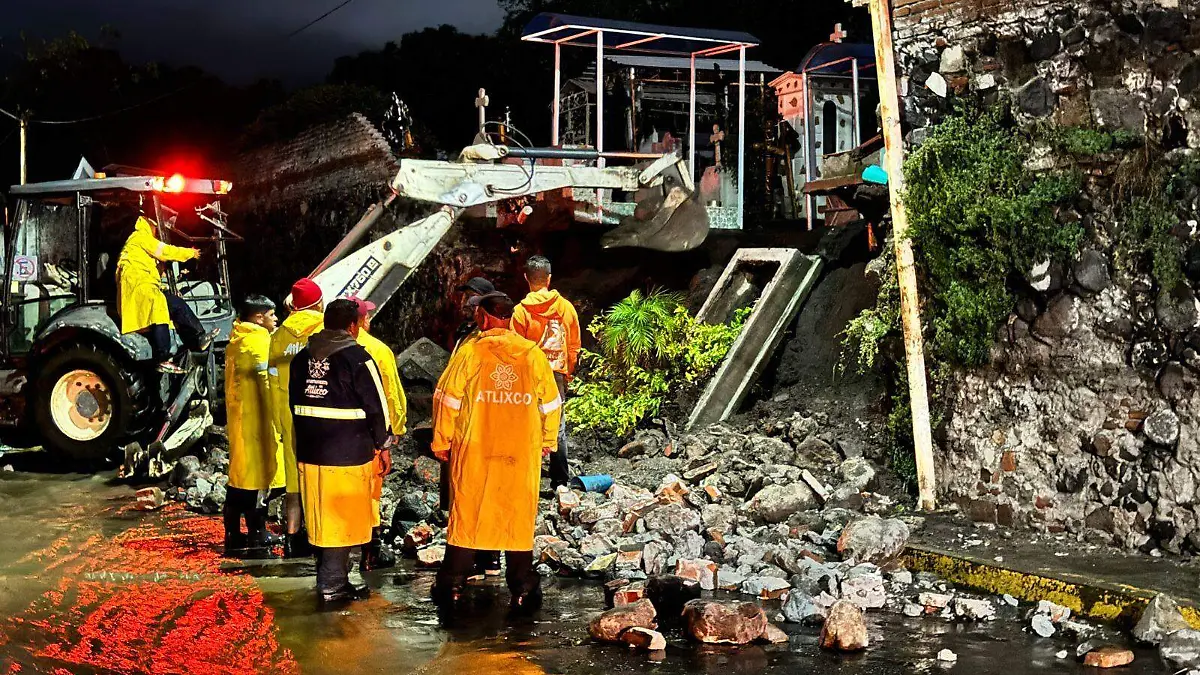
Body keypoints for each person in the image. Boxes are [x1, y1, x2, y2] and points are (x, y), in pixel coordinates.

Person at [430, 291, 561, 613]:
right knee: (516, 517)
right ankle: (522, 585)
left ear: (485, 318)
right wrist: (548, 441)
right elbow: (552, 403)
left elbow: (446, 399)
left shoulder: (470, 353)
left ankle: (453, 583)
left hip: (475, 449)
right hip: (519, 452)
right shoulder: (532, 354)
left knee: (468, 514)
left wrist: (441, 442)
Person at [289, 299, 393, 607]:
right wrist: (383, 445)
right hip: (349, 451)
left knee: (320, 516)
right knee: (340, 518)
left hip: (311, 450)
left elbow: (293, 403)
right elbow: (377, 408)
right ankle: (333, 583)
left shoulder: (301, 358)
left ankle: (331, 578)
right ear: (353, 326)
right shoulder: (357, 358)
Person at [445, 276, 503, 578]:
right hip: (473, 425)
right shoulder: (465, 336)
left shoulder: (489, 342)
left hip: (483, 426)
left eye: (471, 300)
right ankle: (481, 557)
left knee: (478, 492)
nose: (465, 305)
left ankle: (487, 556)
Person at [510, 255, 581, 489]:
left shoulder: (520, 313)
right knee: (557, 425)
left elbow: (514, 349)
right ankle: (560, 479)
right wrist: (567, 372)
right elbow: (573, 346)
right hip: (556, 374)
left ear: (525, 278)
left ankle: (528, 476)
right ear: (549, 278)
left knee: (527, 424)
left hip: (529, 375)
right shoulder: (565, 308)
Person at [223, 294, 284, 558]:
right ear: (259, 317)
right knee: (262, 479)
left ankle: (233, 534)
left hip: (241, 419)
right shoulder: (258, 343)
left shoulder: (238, 339)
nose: (276, 319)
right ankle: (257, 532)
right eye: (272, 315)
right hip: (257, 421)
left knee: (240, 478)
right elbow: (267, 382)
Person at [268, 278, 325, 558]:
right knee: (318, 477)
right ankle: (318, 538)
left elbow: (273, 379)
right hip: (319, 415)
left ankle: (291, 540)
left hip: (289, 417)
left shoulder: (278, 336)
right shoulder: (325, 330)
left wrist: (280, 420)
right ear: (318, 303)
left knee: (294, 480)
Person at [116, 214, 213, 373]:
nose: (157, 232)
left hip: (147, 288)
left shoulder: (141, 246)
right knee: (159, 307)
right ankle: (163, 358)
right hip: (138, 290)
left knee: (177, 304)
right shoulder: (140, 237)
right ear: (151, 224)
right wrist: (190, 253)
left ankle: (197, 339)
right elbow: (165, 251)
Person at [350, 297, 406, 572]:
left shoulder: (322, 347)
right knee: (370, 492)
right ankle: (369, 552)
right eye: (366, 316)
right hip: (370, 432)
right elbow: (391, 394)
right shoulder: (377, 350)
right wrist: (395, 429)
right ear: (360, 321)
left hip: (336, 434)